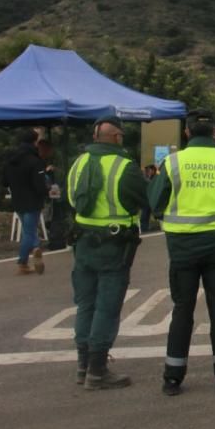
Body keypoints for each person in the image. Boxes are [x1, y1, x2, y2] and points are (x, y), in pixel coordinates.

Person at [150, 109, 215, 396]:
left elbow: (156, 201)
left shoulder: (172, 162)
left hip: (181, 249)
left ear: (187, 132)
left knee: (182, 310)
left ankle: (172, 377)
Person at [66, 116, 148, 390]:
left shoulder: (79, 163)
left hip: (82, 243)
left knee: (85, 304)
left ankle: (82, 365)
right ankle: (98, 370)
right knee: (107, 306)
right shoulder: (124, 166)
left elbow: (71, 198)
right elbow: (142, 198)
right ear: (116, 137)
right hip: (114, 245)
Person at [2, 128, 49, 275]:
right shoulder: (35, 161)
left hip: (17, 200)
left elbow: (4, 181)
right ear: (35, 142)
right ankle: (23, 261)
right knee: (29, 232)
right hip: (32, 201)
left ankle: (35, 248)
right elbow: (39, 185)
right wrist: (47, 191)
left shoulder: (10, 159)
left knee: (28, 229)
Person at [139, 164, 158, 233]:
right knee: (144, 216)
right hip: (147, 200)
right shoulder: (147, 177)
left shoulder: (156, 177)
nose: (147, 171)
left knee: (157, 215)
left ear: (153, 170)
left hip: (153, 199)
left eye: (149, 170)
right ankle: (144, 229)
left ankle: (157, 226)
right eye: (147, 170)